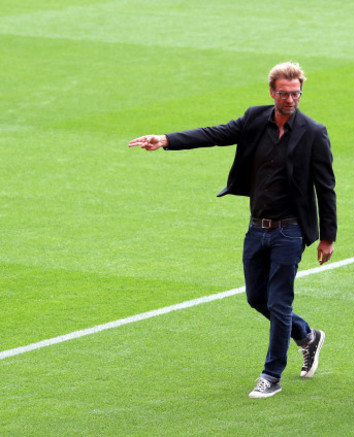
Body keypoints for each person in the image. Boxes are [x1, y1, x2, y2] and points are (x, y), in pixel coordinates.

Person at [128, 62, 337, 398]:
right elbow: (215, 134)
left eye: (296, 93)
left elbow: (325, 187)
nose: (290, 99)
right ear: (272, 92)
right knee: (257, 298)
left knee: (279, 303)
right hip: (257, 229)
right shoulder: (255, 118)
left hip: (290, 232)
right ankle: (308, 336)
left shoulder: (314, 132)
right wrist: (166, 140)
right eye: (283, 93)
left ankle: (271, 375)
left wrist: (327, 237)